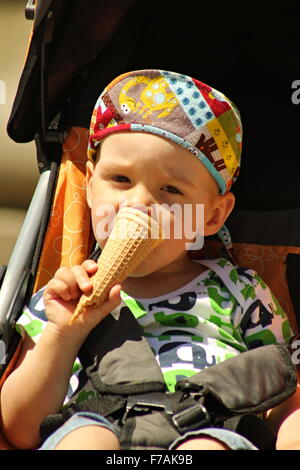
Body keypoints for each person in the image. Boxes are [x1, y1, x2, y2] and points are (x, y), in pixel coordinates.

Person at [0, 70, 297, 451]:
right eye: (120, 179)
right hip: (100, 426)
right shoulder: (62, 298)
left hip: (212, 428)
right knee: (84, 439)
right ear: (89, 186)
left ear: (212, 216)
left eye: (170, 189)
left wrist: (292, 426)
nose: (138, 204)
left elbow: (279, 383)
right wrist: (63, 334)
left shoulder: (240, 290)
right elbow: (20, 429)